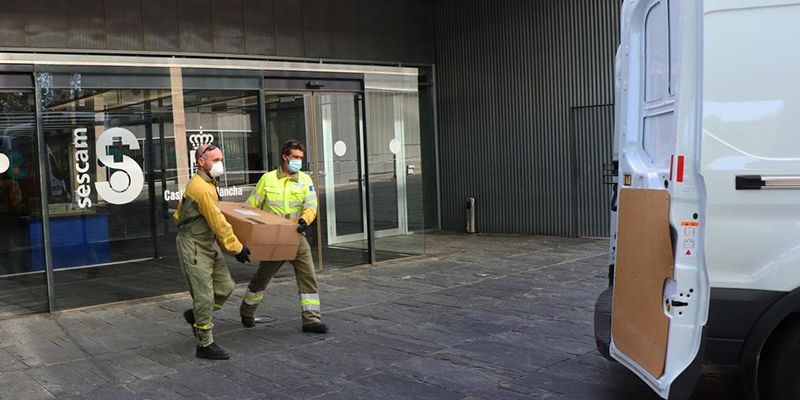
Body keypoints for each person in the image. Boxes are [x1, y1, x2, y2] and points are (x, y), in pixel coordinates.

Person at [239, 139, 327, 334]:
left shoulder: (305, 180)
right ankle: (246, 311)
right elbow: (251, 207)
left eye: (301, 158)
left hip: (296, 235)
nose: (298, 161)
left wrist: (305, 220)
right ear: (285, 157)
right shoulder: (267, 179)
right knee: (262, 277)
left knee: (308, 276)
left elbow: (311, 206)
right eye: (295, 157)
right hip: (274, 237)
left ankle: (311, 320)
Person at [174, 143, 252, 359]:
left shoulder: (208, 183)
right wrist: (237, 248)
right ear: (201, 161)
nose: (220, 164)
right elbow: (218, 223)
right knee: (204, 296)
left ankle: (197, 315)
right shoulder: (200, 188)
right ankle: (205, 344)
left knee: (226, 287)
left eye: (221, 159)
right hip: (194, 246)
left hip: (207, 244)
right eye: (215, 160)